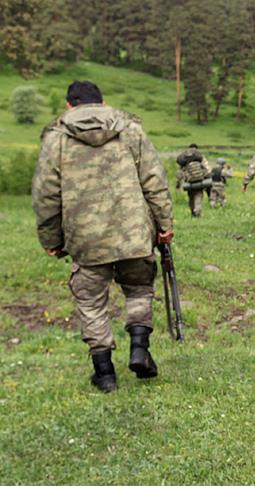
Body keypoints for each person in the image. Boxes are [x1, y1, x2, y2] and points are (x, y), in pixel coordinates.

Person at [32, 80, 173, 393]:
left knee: (92, 303)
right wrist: (164, 224)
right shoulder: (130, 129)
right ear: (102, 102)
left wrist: (51, 239)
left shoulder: (56, 137)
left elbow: (46, 195)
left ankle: (105, 373)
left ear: (70, 105)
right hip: (134, 232)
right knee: (138, 289)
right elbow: (154, 181)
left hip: (85, 238)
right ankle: (139, 348)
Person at [176, 143, 211, 217]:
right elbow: (206, 169)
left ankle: (193, 212)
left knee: (191, 197)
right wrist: (207, 177)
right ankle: (197, 211)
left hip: (189, 182)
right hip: (200, 180)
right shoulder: (199, 158)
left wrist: (178, 185)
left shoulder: (184, 161)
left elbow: (180, 174)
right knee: (198, 196)